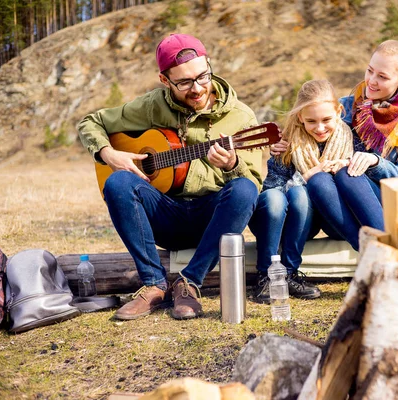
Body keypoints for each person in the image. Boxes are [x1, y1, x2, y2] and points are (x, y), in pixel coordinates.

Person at [77, 34, 262, 320]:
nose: (198, 88)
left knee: (244, 189)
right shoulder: (151, 106)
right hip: (165, 214)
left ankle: (189, 283)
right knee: (117, 182)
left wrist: (232, 164)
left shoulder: (241, 116)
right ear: (165, 81)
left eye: (203, 76)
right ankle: (153, 284)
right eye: (185, 82)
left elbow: (253, 179)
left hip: (211, 220)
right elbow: (92, 122)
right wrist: (108, 154)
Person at [274, 40, 398, 250]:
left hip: (389, 205)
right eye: (370, 71)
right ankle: (371, 250)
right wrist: (286, 143)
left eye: (382, 77)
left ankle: (387, 248)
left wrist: (375, 162)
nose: (372, 81)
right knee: (321, 179)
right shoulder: (346, 105)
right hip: (341, 211)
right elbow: (311, 129)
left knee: (350, 173)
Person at [249, 79, 354, 304]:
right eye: (311, 121)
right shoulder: (287, 144)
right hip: (278, 218)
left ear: (339, 111)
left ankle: (289, 272)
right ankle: (265, 275)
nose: (320, 128)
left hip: (315, 219)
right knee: (279, 197)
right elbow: (272, 192)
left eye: (326, 119)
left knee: (300, 195)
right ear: (300, 118)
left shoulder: (349, 139)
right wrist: (307, 175)